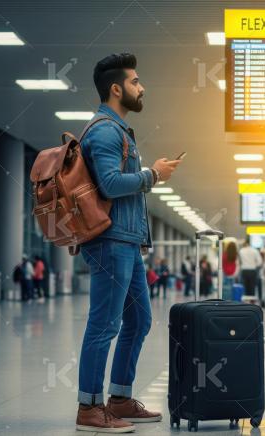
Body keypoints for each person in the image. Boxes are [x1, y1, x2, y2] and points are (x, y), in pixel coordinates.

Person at [75, 53, 174, 433]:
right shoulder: (104, 131)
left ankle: (118, 398)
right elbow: (110, 185)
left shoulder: (118, 131)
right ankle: (89, 407)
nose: (142, 87)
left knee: (139, 320)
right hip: (110, 241)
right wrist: (153, 174)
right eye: (135, 82)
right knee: (104, 325)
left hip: (128, 243)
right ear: (116, 89)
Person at [238, 239, 263, 305]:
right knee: (252, 288)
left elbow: (239, 262)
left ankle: (246, 303)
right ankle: (252, 303)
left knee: (245, 287)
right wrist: (254, 265)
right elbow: (260, 262)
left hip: (244, 271)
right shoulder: (254, 251)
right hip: (252, 271)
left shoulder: (241, 251)